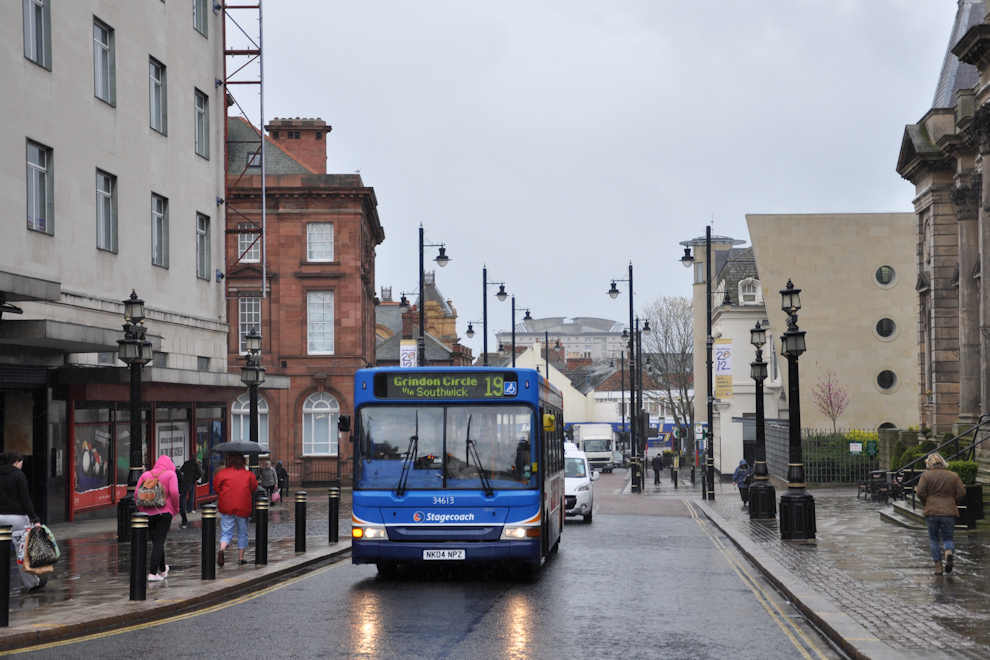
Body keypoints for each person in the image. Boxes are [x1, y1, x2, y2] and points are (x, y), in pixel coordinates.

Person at [0, 451, 46, 591]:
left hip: (0, 519)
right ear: (15, 462)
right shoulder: (18, 475)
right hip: (17, 520)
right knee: (22, 552)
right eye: (21, 463)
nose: (21, 466)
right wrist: (35, 519)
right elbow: (25, 500)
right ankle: (32, 583)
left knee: (2, 550)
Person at [916, 452, 967, 575]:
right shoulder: (953, 475)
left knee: (934, 539)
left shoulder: (926, 476)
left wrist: (926, 503)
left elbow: (920, 492)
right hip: (949, 511)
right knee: (948, 537)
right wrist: (953, 502)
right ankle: (948, 552)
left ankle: (938, 567)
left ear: (930, 464)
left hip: (931, 511)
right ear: (943, 462)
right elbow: (962, 491)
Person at [136, 454, 180, 582]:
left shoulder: (146, 475)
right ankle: (152, 573)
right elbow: (175, 492)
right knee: (159, 542)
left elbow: (136, 493)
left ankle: (162, 569)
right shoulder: (171, 475)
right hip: (164, 513)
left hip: (148, 513)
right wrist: (175, 508)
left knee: (157, 542)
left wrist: (142, 509)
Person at [214, 452, 258, 567]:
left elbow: (216, 488)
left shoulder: (222, 473)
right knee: (242, 532)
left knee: (226, 531)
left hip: (226, 505)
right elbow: (254, 487)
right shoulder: (248, 474)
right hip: (243, 506)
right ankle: (241, 558)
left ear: (229, 460)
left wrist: (224, 494)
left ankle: (222, 549)